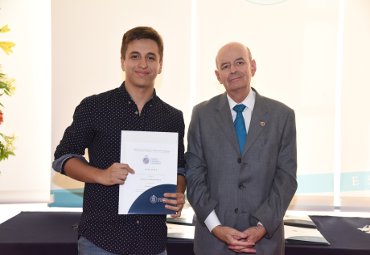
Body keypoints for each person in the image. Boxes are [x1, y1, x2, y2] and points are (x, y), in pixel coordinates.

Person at [52, 26, 186, 255]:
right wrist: (101, 175)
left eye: (150, 57)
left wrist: (178, 193)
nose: (143, 64)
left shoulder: (172, 117)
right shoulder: (94, 106)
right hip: (101, 241)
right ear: (122, 61)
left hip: (152, 243)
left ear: (160, 65)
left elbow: (179, 168)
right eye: (135, 56)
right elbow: (63, 158)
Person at [185, 42, 297, 255]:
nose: (233, 70)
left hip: (264, 244)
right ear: (218, 76)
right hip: (213, 243)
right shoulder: (202, 115)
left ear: (252, 67)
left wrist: (261, 227)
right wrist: (216, 227)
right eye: (225, 66)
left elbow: (286, 177)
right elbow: (194, 175)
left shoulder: (282, 116)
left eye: (239, 62)